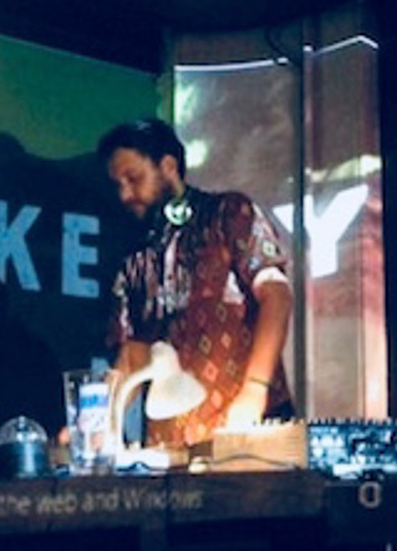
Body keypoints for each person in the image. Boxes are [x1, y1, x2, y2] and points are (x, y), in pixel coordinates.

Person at [97, 118, 294, 449]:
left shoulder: (229, 213)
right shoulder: (133, 259)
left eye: (134, 179)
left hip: (248, 429)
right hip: (172, 447)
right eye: (119, 185)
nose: (125, 195)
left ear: (168, 166)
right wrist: (97, 423)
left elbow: (277, 296)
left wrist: (255, 389)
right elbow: (132, 357)